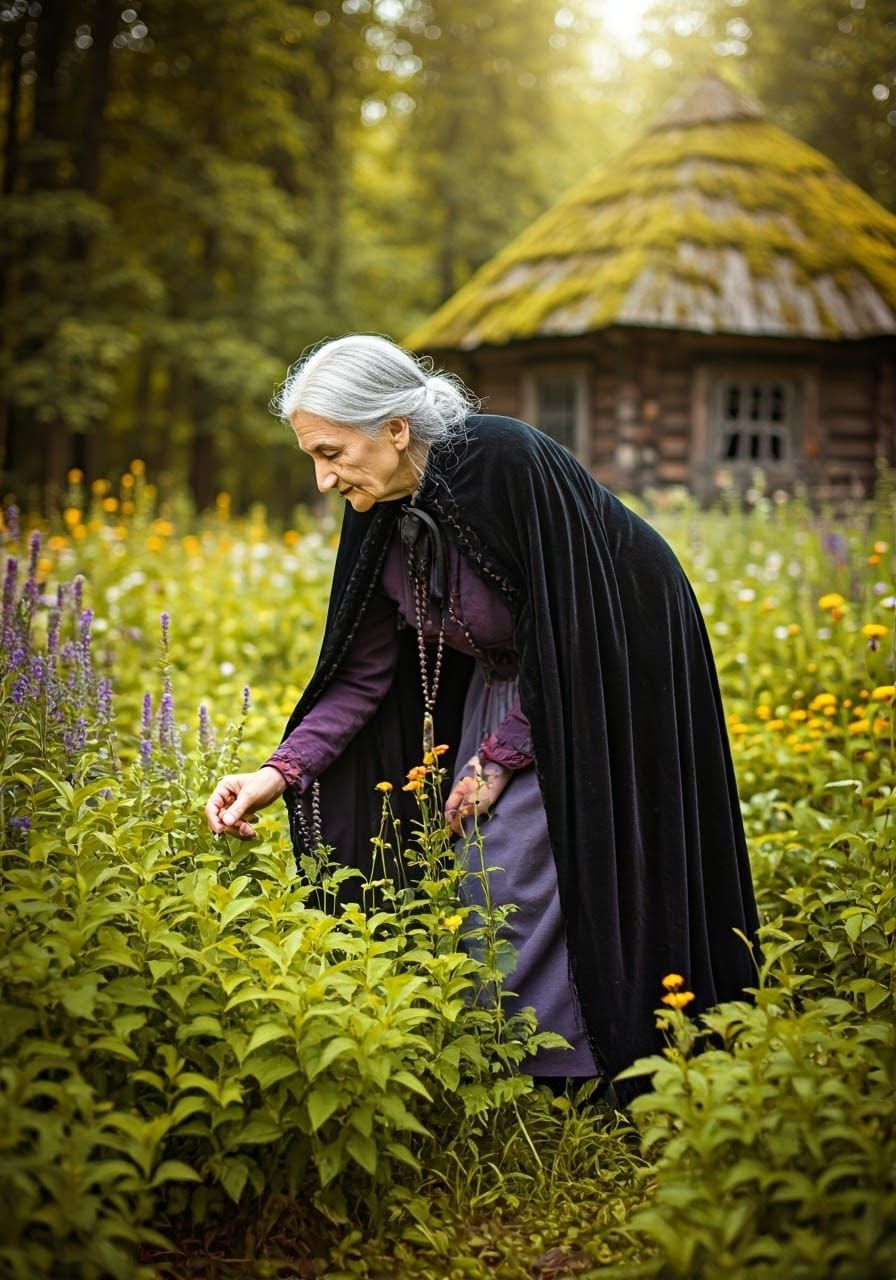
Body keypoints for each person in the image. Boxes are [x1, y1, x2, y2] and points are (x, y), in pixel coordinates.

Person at [205, 333, 759, 1093]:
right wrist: (276, 771)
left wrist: (498, 759)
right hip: (509, 682)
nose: (323, 478)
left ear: (395, 429)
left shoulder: (507, 461)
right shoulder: (377, 503)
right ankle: (495, 1053)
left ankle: (565, 1071)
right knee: (471, 864)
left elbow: (573, 635)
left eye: (331, 452)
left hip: (614, 669)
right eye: (313, 455)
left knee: (517, 861)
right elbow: (362, 675)